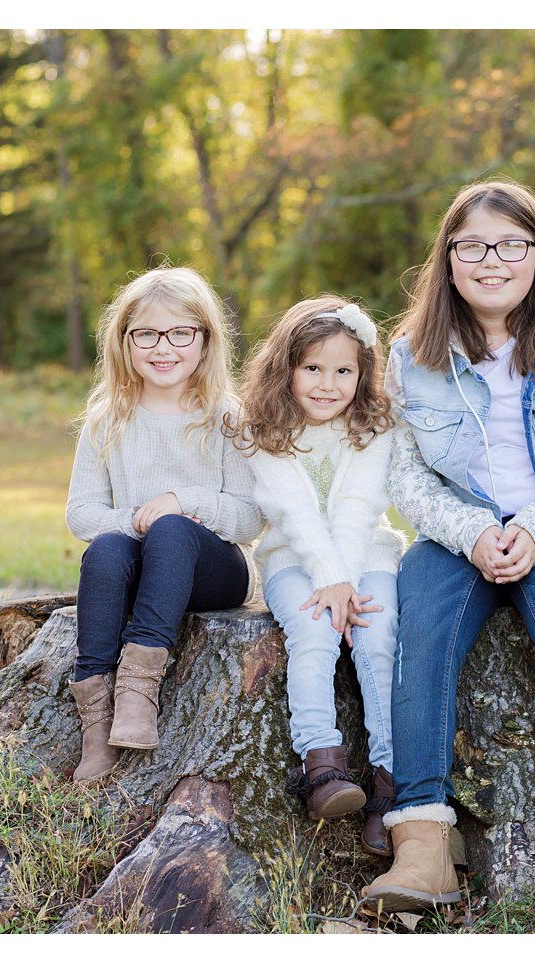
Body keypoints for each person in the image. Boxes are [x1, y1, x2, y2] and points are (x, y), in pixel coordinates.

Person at [366, 180, 535, 912]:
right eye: (473, 246)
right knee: (417, 624)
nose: (493, 260)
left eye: (512, 244)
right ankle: (423, 844)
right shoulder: (410, 355)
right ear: (448, 259)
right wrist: (475, 531)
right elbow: (404, 473)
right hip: (459, 533)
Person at [63, 266, 263, 782]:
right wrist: (139, 519)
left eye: (180, 333)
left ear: (205, 340)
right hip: (141, 559)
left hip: (216, 569)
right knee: (105, 550)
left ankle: (138, 693)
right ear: (124, 342)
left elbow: (249, 517)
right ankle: (98, 722)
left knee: (174, 529)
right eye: (146, 334)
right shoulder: (108, 419)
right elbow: (81, 513)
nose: (163, 347)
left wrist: (181, 502)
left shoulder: (227, 416)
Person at [233, 296, 407, 856]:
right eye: (312, 368)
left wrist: (346, 581)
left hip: (370, 559)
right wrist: (328, 580)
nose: (327, 384)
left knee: (379, 641)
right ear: (286, 368)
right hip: (291, 559)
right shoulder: (260, 427)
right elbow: (293, 513)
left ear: (363, 375)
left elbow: (358, 506)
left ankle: (390, 784)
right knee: (313, 634)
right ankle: (322, 767)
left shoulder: (377, 425)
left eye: (343, 371)